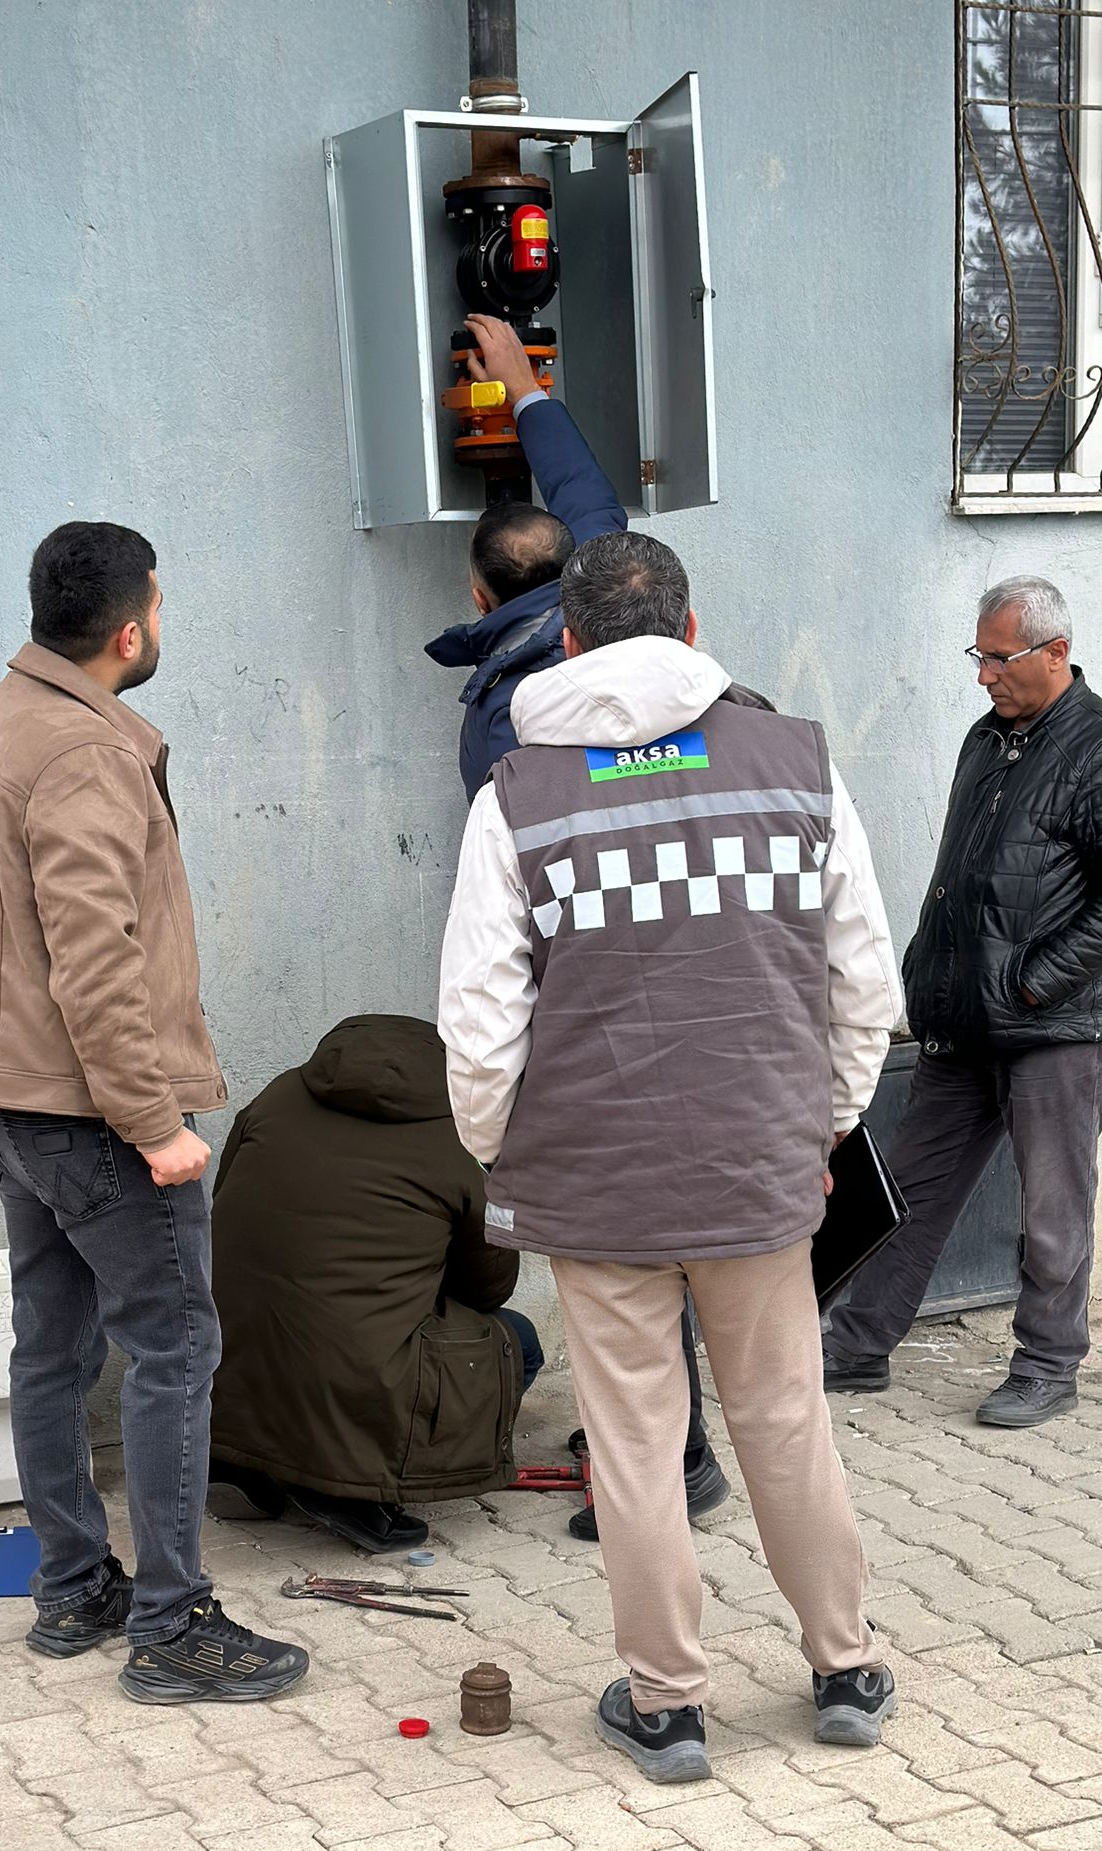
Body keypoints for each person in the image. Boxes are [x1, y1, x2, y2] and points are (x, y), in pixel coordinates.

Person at [438, 529, 904, 1781]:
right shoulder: (797, 761)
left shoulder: (515, 799)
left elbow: (477, 1026)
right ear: (692, 633)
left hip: (597, 1183)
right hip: (761, 1167)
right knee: (786, 1416)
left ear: (568, 640)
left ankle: (669, 1704)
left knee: (635, 1441)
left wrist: (508, 1151)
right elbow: (864, 979)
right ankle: (845, 1667)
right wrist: (825, 1124)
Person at [0, 520, 307, 1706]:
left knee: (53, 1342)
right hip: (88, 1108)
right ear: (130, 631)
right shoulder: (82, 752)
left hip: (9, 1096)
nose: (161, 625)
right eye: (159, 609)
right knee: (174, 1347)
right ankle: (172, 1628)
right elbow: (94, 958)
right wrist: (154, 1121)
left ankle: (75, 1587)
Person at [427, 313, 730, 1542]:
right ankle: (660, 1447)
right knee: (675, 1238)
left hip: (595, 1010)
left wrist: (499, 1123)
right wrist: (524, 384)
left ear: (483, 598)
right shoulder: (639, 619)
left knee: (628, 1250)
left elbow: (508, 925)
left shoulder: (510, 723)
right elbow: (589, 501)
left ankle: (666, 1459)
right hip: (704, 973)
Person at [825, 576, 1102, 1429]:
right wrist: (930, 973)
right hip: (963, 1023)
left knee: (1052, 1207)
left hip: (1054, 1028)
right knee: (908, 1192)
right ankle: (857, 1345)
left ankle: (1048, 1365)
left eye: (1000, 658)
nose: (984, 675)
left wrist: (1033, 982)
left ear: (1056, 652)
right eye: (978, 656)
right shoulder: (988, 738)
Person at [208, 1014, 540, 1552]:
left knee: (296, 1319)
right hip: (355, 1371)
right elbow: (487, 1291)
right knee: (518, 1341)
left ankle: (242, 1463)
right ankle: (348, 1487)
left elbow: (225, 1198)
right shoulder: (463, 1137)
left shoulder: (279, 1095)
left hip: (226, 1344)